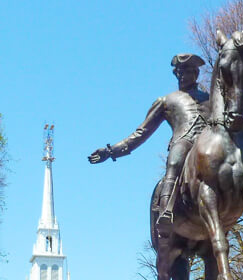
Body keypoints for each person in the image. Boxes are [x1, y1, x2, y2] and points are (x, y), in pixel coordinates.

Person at [89, 54, 209, 237]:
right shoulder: (166, 101)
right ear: (176, 74)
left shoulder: (211, 99)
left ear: (197, 73)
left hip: (209, 145)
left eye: (189, 71)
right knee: (174, 163)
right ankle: (166, 211)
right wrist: (110, 151)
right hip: (184, 141)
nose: (184, 75)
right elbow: (141, 133)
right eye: (181, 72)